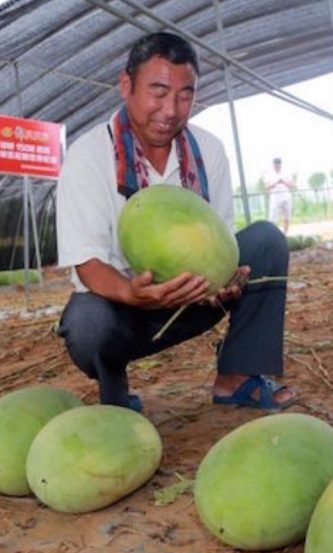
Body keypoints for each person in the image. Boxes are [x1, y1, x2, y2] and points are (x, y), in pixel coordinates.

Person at [54, 32, 294, 413]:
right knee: (86, 323)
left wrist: (228, 277)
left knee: (266, 241)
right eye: (158, 92)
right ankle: (114, 393)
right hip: (126, 308)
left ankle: (237, 376)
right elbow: (86, 261)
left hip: (194, 297)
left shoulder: (208, 150)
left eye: (185, 95)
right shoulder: (88, 156)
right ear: (126, 85)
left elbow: (222, 240)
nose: (171, 109)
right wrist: (132, 293)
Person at [264, 157, 294, 234]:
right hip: (275, 196)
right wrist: (276, 182)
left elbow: (291, 185)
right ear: (273, 165)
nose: (277, 166)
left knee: (287, 216)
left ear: (281, 165)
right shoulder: (269, 174)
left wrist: (284, 182)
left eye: (278, 164)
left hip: (285, 195)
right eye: (276, 165)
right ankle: (273, 234)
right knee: (272, 218)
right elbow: (267, 187)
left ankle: (285, 234)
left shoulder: (286, 172)